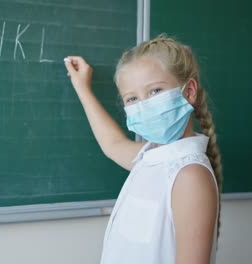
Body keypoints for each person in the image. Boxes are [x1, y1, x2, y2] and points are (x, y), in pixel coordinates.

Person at [64, 35, 222, 264]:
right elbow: (112, 144)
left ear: (188, 92)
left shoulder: (189, 175)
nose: (144, 105)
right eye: (132, 98)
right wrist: (83, 88)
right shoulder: (150, 159)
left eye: (155, 91)